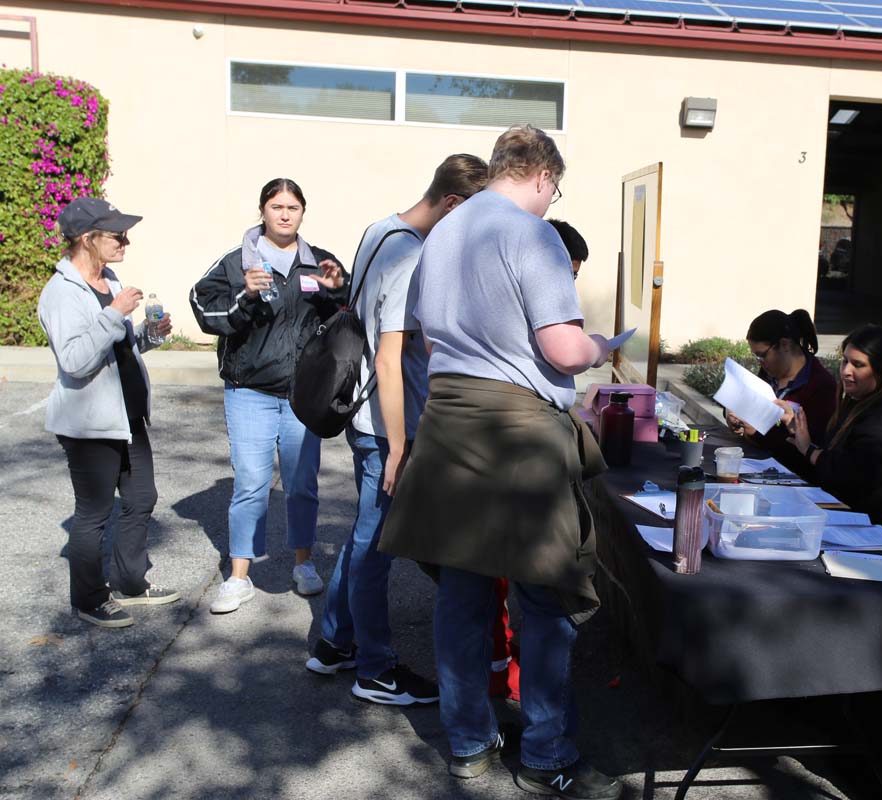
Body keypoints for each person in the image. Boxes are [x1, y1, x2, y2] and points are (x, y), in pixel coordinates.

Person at [378, 125, 621, 800]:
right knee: (541, 597)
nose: (551, 201)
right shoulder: (530, 231)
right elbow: (563, 349)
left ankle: (466, 745)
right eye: (556, 190)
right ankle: (544, 754)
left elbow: (428, 339)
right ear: (543, 177)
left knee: (461, 597)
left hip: (451, 426)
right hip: (518, 432)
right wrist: (600, 344)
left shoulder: (446, 232)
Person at [305, 154, 489, 706]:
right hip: (386, 422)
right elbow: (389, 359)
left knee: (366, 535)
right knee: (376, 545)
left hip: (369, 415)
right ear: (453, 205)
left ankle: (336, 642)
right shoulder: (411, 256)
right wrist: (400, 444)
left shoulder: (381, 228)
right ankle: (376, 671)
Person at [190, 178, 349, 614]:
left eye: (293, 207)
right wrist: (246, 295)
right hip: (250, 394)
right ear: (262, 210)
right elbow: (204, 309)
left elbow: (349, 314)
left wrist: (337, 288)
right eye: (276, 206)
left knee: (302, 485)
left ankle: (304, 563)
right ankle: (239, 578)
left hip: (303, 396)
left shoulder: (320, 263)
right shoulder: (235, 262)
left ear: (302, 213)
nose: (284, 214)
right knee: (251, 485)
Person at [38, 197, 180, 628]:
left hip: (127, 415)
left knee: (141, 499)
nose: (126, 241)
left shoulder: (110, 280)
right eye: (117, 235)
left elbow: (120, 347)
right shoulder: (61, 293)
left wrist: (148, 335)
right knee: (94, 514)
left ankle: (131, 583)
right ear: (87, 239)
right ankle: (88, 597)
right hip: (89, 422)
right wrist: (115, 314)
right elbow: (76, 360)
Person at [487, 216, 592, 705]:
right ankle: (512, 687)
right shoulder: (530, 294)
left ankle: (498, 684)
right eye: (567, 272)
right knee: (524, 587)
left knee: (490, 584)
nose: (568, 284)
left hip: (492, 443)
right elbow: (566, 354)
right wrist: (590, 348)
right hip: (517, 450)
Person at [776, 324, 882, 558]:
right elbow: (840, 459)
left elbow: (852, 477)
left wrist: (810, 451)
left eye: (858, 365)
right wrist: (801, 435)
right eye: (845, 361)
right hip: (867, 526)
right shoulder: (861, 400)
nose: (846, 371)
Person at [725, 309, 837, 472]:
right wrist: (731, 412)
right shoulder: (770, 372)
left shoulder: (820, 386)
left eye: (762, 355)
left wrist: (756, 433)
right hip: (754, 466)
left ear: (784, 344)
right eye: (756, 357)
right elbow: (747, 400)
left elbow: (807, 449)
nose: (760, 363)